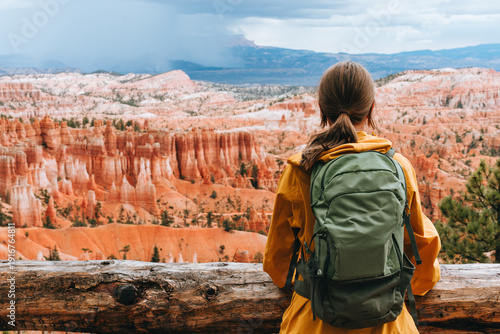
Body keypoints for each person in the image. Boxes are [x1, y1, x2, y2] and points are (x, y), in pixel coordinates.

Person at [263, 61, 441, 334]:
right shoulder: (398, 166)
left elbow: (278, 260)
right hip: (388, 322)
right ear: (371, 108)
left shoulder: (302, 168)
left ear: (322, 109)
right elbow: (421, 244)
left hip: (314, 322)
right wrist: (413, 285)